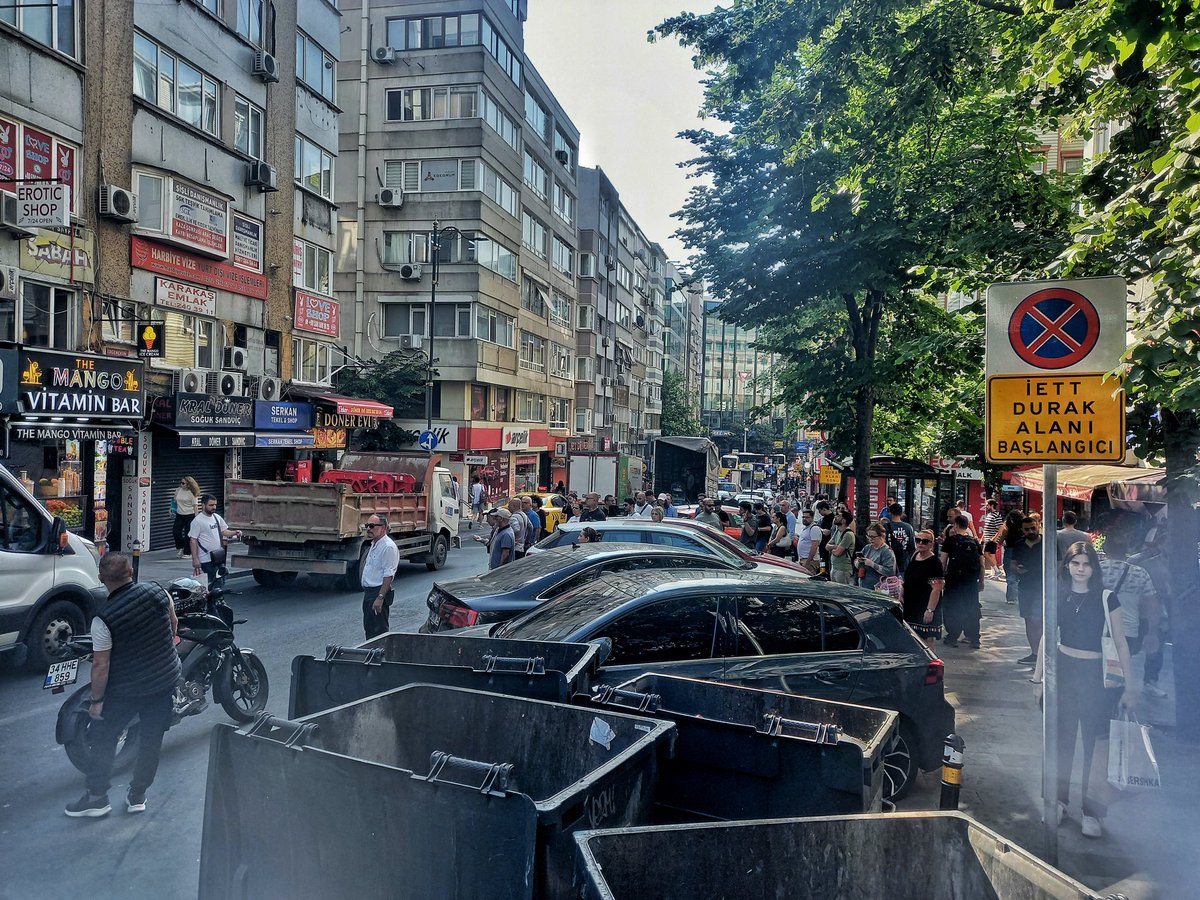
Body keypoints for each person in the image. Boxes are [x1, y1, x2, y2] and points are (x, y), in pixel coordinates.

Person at [65, 552, 180, 818]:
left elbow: (101, 665)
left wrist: (95, 702)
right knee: (152, 740)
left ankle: (97, 797)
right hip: (164, 681)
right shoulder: (158, 592)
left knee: (104, 737)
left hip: (127, 690)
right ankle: (138, 795)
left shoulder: (103, 617)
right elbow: (174, 625)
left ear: (101, 578)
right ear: (130, 572)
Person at [1048, 541, 1135, 839]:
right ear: (1068, 566)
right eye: (1076, 563)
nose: (1081, 569)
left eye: (1086, 564)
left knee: (1094, 749)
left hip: (1097, 679)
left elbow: (1121, 643)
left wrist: (1130, 687)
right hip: (1065, 671)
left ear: (1094, 568)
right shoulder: (1058, 595)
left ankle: (1091, 812)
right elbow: (1048, 640)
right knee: (1062, 741)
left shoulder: (1107, 598)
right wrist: (1038, 681)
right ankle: (1059, 800)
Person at [1100, 529, 1163, 698]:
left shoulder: (1095, 570)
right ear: (1126, 549)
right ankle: (1116, 703)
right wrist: (1152, 633)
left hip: (1098, 629)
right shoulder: (1139, 573)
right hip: (1128, 631)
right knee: (1119, 670)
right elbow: (1152, 606)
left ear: (1105, 548)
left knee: (1097, 670)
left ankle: (1100, 706)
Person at [940, 515, 984, 649]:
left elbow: (943, 561)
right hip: (970, 581)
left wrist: (940, 578)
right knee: (972, 607)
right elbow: (982, 564)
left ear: (956, 525)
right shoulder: (974, 541)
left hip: (954, 580)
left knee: (952, 607)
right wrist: (981, 581)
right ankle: (974, 638)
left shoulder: (950, 541)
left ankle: (952, 636)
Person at [1008, 516, 1045, 663]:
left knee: (1038, 620)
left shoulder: (1047, 543)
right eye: (1027, 529)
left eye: (1033, 528)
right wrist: (1017, 569)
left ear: (1038, 526)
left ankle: (1042, 654)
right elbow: (1012, 565)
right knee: (1029, 620)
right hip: (1025, 587)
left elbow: (1059, 564)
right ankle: (1035, 653)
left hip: (1042, 588)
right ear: (1022, 530)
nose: (1030, 531)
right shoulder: (1019, 545)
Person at [903, 530, 945, 651]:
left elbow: (937, 588)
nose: (920, 543)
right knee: (912, 637)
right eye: (918, 540)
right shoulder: (915, 555)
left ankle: (932, 665)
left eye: (925, 541)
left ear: (932, 544)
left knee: (927, 639)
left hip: (926, 604)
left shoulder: (935, 563)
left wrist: (930, 610)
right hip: (911, 604)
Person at [359, 514, 399, 640]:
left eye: (372, 526)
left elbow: (388, 575)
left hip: (378, 593)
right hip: (369, 593)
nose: (368, 529)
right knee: (370, 629)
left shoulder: (388, 547)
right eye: (367, 526)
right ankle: (372, 656)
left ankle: (381, 657)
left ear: (383, 528)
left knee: (379, 631)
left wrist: (380, 597)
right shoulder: (374, 544)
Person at [189, 495, 240, 589]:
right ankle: (214, 601)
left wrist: (234, 532)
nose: (214, 507)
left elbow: (224, 531)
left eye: (215, 505)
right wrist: (195, 559)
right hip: (206, 559)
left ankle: (214, 599)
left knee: (221, 581)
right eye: (211, 505)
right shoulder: (197, 521)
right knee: (217, 583)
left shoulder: (216, 517)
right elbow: (193, 540)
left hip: (218, 556)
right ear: (203, 505)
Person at [995, 508, 1026, 604]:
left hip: (1009, 551)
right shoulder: (1022, 529)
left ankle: (1011, 597)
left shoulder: (1006, 529)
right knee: (1019, 573)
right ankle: (1017, 596)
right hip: (1021, 552)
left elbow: (1000, 542)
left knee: (1010, 573)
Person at [855, 524, 896, 591]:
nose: (870, 539)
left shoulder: (887, 551)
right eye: (868, 537)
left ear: (881, 536)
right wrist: (858, 562)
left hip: (878, 589)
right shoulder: (867, 547)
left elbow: (890, 572)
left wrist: (872, 564)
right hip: (863, 586)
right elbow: (857, 563)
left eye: (873, 537)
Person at [172, 476, 201, 559]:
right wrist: (171, 508)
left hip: (190, 515)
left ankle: (187, 552)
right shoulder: (178, 490)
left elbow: (195, 506)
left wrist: (197, 517)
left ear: (188, 484)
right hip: (179, 514)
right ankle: (181, 547)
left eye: (183, 483)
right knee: (176, 532)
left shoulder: (192, 493)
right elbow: (174, 500)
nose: (181, 484)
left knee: (188, 534)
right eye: (181, 482)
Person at [884, 503, 916, 575]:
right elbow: (912, 546)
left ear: (890, 513)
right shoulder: (908, 527)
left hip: (887, 561)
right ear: (901, 513)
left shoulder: (885, 526)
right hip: (903, 561)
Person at [827, 511, 856, 585]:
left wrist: (832, 549)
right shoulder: (837, 531)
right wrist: (836, 547)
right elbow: (827, 546)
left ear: (844, 520)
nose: (835, 517)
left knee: (842, 593)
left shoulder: (848, 534)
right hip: (834, 567)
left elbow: (837, 553)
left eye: (838, 516)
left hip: (843, 569)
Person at [795, 508, 824, 575]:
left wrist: (808, 562)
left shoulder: (814, 529)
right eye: (803, 517)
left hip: (810, 561)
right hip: (803, 559)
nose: (804, 519)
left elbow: (814, 546)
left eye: (807, 517)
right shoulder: (806, 528)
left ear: (812, 518)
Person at [980, 499, 1004, 578]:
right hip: (988, 537)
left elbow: (1000, 528)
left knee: (985, 554)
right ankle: (994, 573)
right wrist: (982, 538)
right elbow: (986, 528)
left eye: (987, 505)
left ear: (991, 505)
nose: (986, 506)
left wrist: (994, 538)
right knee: (992, 555)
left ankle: (997, 571)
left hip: (991, 538)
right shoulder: (989, 515)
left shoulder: (996, 515)